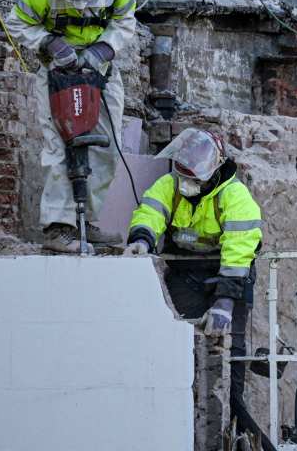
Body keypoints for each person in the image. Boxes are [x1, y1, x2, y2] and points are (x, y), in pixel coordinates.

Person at [6, 0, 137, 254]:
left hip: (100, 70)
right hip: (56, 71)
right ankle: (58, 227)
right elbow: (17, 22)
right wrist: (49, 42)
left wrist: (106, 49)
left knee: (108, 144)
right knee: (58, 144)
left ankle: (85, 221)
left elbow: (126, 19)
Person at [125, 127, 262, 409]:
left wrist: (224, 303)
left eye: (193, 179)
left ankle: (234, 410)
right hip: (185, 273)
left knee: (231, 346)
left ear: (213, 173)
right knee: (178, 340)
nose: (186, 184)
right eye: (183, 176)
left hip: (228, 276)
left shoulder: (236, 198)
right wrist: (141, 239)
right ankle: (178, 408)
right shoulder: (169, 185)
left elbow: (238, 254)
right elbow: (150, 212)